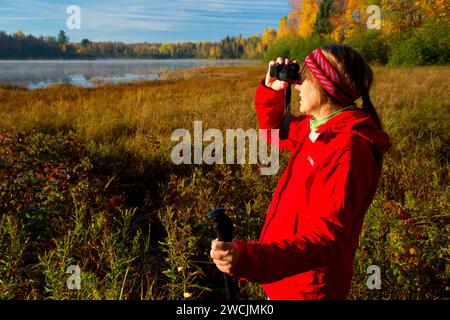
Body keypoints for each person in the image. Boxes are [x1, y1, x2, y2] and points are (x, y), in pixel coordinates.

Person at [210, 45, 392, 300]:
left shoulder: (350, 149)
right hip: (288, 281)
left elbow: (325, 240)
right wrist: (273, 92)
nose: (297, 85)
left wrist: (249, 258)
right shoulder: (318, 128)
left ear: (326, 86)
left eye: (304, 78)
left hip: (309, 289)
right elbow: (273, 132)